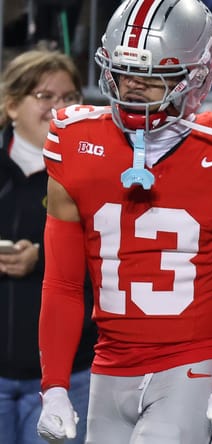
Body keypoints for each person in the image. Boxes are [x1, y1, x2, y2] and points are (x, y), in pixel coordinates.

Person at [35, 1, 212, 442]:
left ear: (196, 75)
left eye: (153, 75)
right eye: (123, 70)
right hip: (109, 364)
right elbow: (61, 283)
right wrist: (55, 386)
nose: (132, 86)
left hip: (192, 361)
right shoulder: (74, 142)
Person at [0, 49, 96, 444]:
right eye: (45, 97)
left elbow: (120, 259)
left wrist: (44, 259)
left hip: (71, 378)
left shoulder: (92, 175)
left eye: (70, 97)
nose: (59, 108)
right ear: (11, 105)